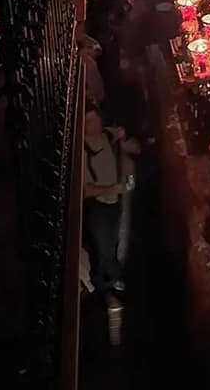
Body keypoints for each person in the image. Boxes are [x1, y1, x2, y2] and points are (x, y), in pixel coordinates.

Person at [83, 103, 137, 294]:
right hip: (99, 207)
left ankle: (107, 279)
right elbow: (85, 191)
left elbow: (119, 135)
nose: (94, 124)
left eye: (95, 118)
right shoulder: (83, 150)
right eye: (88, 121)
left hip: (114, 201)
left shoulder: (105, 134)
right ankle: (106, 284)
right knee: (104, 248)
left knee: (112, 241)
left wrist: (122, 134)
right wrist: (113, 188)